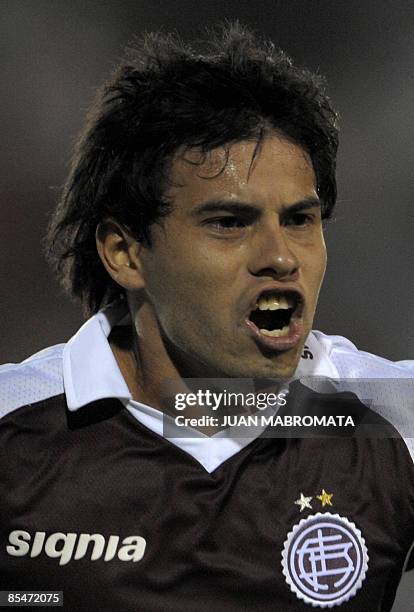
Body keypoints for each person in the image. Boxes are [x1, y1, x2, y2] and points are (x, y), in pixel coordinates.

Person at [0, 23, 413, 611]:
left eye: (300, 220)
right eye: (229, 223)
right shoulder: (16, 436)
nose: (279, 257)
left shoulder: (387, 422)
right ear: (125, 252)